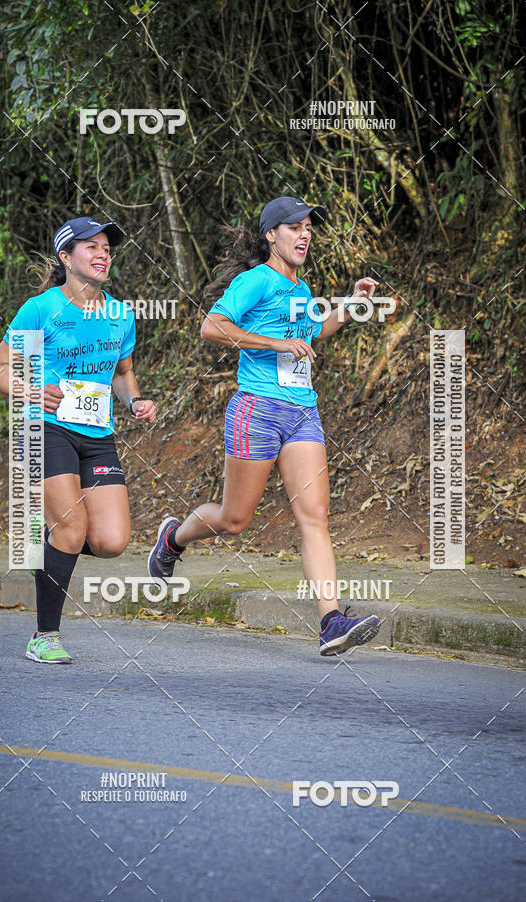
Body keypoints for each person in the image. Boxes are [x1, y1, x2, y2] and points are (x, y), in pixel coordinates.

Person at [148, 195, 380, 656]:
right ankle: (173, 538)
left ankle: (331, 621)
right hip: (257, 410)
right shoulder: (255, 280)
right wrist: (274, 342)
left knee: (314, 516)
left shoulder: (300, 288)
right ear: (271, 235)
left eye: (308, 227)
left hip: (302, 413)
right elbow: (212, 327)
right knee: (235, 520)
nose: (305, 233)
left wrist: (350, 305)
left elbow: (310, 337)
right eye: (294, 227)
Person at [0, 216, 156, 664]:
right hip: (46, 427)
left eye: (106, 247)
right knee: (72, 526)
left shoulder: (120, 314)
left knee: (111, 540)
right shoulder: (41, 309)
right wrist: (29, 390)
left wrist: (136, 401)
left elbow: (123, 374)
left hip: (98, 434)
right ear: (66, 258)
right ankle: (45, 635)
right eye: (91, 247)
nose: (103, 254)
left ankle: (52, 537)